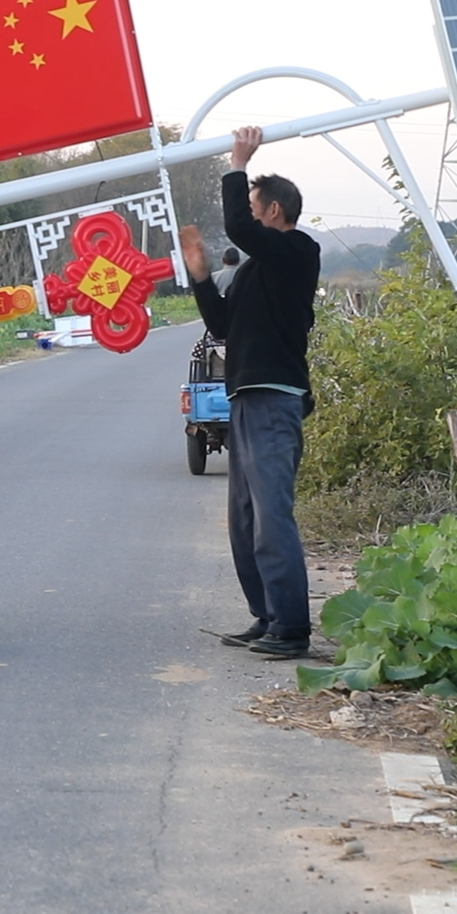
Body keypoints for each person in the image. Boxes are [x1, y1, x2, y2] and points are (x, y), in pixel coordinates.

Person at [178, 126, 321, 659]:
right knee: (244, 518)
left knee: (270, 514)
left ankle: (292, 627)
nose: (248, 217)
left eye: (255, 207)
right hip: (243, 397)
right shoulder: (253, 272)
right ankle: (267, 616)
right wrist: (199, 276)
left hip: (275, 397)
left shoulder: (297, 252)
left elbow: (238, 225)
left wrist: (238, 164)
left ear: (275, 211)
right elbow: (221, 326)